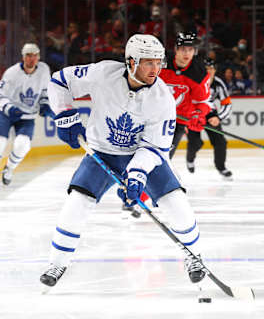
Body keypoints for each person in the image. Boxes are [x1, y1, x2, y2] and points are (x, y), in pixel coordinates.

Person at [40, 34, 206, 289]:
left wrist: (138, 172)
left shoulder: (162, 98)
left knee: (176, 203)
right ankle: (57, 262)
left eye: (158, 62)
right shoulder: (103, 73)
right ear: (131, 62)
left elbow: (156, 147)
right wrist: (64, 114)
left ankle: (195, 257)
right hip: (101, 153)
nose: (155, 69)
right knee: (77, 203)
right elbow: (59, 81)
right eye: (148, 63)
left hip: (143, 154)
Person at [0, 43, 52, 188]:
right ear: (23, 57)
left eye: (35, 56)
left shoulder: (44, 70)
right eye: (28, 56)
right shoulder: (12, 73)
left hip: (27, 116)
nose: (32, 59)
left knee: (23, 145)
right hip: (7, 114)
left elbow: (45, 91)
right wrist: (10, 109)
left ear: (38, 57)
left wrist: (45, 104)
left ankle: (9, 170)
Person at [158, 32, 211, 173]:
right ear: (176, 49)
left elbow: (203, 102)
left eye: (190, 50)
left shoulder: (199, 74)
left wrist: (198, 114)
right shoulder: (160, 64)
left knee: (164, 157)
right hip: (154, 116)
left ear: (195, 51)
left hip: (178, 122)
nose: (186, 53)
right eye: (183, 49)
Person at [203, 58, 233, 178]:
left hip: (209, 114)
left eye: (211, 69)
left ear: (215, 70)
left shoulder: (218, 83)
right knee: (193, 142)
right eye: (206, 69)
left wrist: (218, 118)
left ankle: (221, 167)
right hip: (192, 113)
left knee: (220, 142)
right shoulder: (194, 79)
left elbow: (227, 104)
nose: (209, 71)